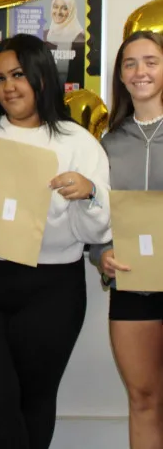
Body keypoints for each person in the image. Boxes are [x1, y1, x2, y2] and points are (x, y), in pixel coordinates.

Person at [0, 33, 111, 449]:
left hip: (52, 289)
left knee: (36, 401)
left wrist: (89, 193)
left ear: (42, 76)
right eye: (1, 77)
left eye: (19, 75)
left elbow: (98, 232)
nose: (8, 87)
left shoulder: (80, 143)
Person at [90, 30, 163, 449]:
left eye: (151, 61)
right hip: (132, 286)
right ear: (120, 75)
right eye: (130, 63)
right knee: (143, 398)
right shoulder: (107, 144)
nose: (140, 72)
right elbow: (95, 217)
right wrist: (102, 255)